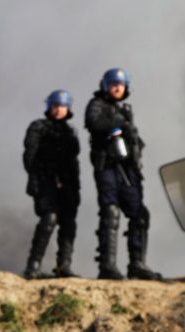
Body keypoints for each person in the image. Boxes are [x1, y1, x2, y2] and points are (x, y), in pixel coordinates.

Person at [84, 68, 162, 280]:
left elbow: (134, 142)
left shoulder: (123, 111)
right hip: (108, 166)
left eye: (121, 84)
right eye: (113, 84)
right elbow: (94, 123)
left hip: (128, 169)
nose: (117, 87)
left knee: (139, 214)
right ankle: (107, 266)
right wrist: (120, 125)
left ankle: (137, 264)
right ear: (105, 85)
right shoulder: (97, 105)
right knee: (110, 211)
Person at [22, 89, 82, 279]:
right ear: (49, 107)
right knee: (49, 219)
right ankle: (33, 266)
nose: (58, 110)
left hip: (67, 183)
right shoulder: (38, 127)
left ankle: (63, 266)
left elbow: (73, 162)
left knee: (68, 223)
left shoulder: (70, 133)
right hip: (45, 179)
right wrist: (34, 178)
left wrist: (74, 186)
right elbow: (29, 155)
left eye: (62, 106)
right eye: (55, 105)